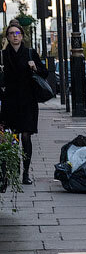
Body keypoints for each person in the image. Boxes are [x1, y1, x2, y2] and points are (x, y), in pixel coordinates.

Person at [1, 21, 49, 185]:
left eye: (18, 33)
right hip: (9, 101)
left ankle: (26, 173)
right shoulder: (3, 55)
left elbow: (45, 73)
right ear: (7, 37)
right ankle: (9, 172)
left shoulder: (30, 53)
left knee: (26, 136)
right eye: (12, 33)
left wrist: (35, 67)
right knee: (10, 138)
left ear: (22, 36)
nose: (15, 36)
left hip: (28, 101)